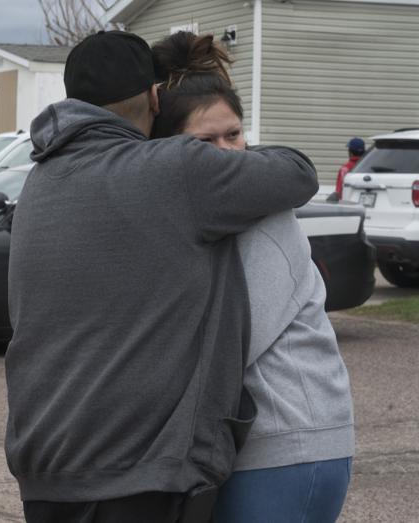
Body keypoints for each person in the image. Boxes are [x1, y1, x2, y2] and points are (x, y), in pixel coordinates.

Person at [5, 31, 318, 522]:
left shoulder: (39, 183)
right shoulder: (174, 172)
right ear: (155, 96)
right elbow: (297, 173)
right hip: (139, 474)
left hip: (45, 469)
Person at [151, 32, 354, 523]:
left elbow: (232, 341)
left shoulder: (262, 211)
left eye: (234, 134)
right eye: (205, 141)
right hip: (252, 450)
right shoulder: (202, 211)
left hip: (288, 446)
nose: (228, 153)